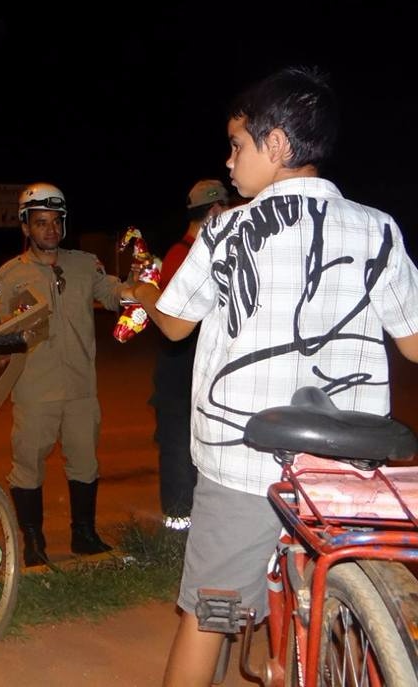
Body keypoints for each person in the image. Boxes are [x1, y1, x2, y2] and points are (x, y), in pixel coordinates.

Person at [120, 66, 418, 686]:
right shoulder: (378, 228)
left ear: (277, 146)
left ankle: (242, 617)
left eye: (237, 145)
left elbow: (174, 325)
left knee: (211, 615)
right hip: (347, 470)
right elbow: (414, 344)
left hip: (247, 464)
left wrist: (146, 290)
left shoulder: (224, 230)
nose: (229, 162)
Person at [0, 182, 126, 567]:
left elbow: (116, 294)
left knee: (85, 461)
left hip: (81, 386)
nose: (50, 230)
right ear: (25, 226)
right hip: (34, 389)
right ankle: (32, 541)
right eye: (40, 222)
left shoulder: (85, 264)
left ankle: (83, 534)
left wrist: (141, 283)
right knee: (28, 464)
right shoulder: (12, 273)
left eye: (55, 222)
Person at [150, 179, 230, 530]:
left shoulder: (187, 252)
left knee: (198, 444)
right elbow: (177, 321)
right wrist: (141, 292)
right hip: (180, 363)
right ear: (214, 210)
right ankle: (180, 523)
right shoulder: (187, 255)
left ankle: (198, 522)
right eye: (226, 208)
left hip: (195, 362)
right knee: (179, 443)